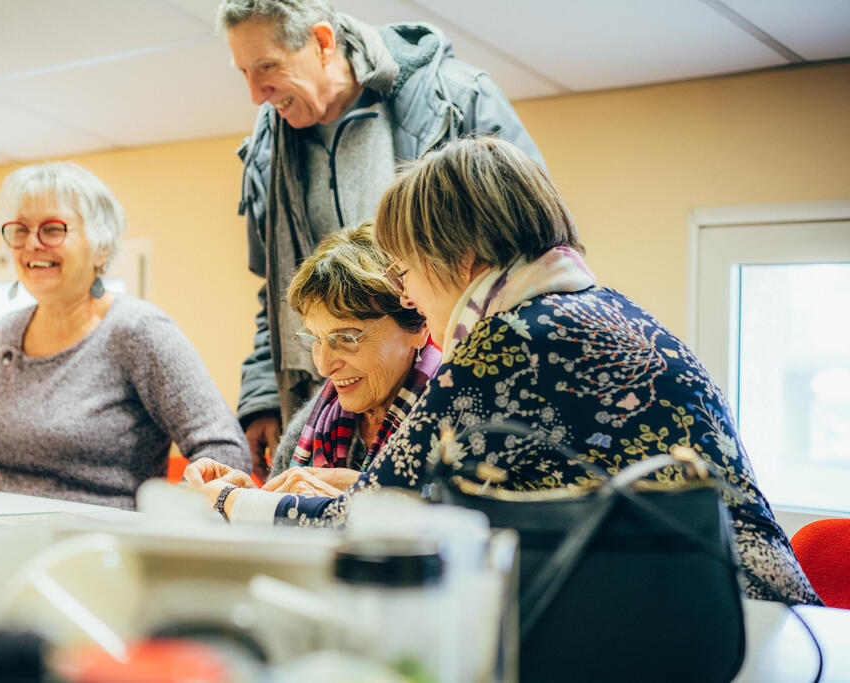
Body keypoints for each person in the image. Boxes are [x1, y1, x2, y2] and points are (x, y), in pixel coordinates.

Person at [189, 136, 819, 605]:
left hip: (717, 624)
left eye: (406, 272)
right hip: (770, 615)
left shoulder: (507, 342)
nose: (406, 295)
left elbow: (371, 521)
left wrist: (227, 500)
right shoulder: (611, 311)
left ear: (461, 259)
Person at [216, 0, 545, 481]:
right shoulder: (269, 145)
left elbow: (529, 252)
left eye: (267, 66)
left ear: (323, 42)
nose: (254, 94)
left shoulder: (455, 98)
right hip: (333, 399)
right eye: (244, 72)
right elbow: (275, 286)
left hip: (452, 376)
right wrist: (263, 393)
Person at [0, 161, 250, 510]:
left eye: (52, 229)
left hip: (103, 540)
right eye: (20, 230)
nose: (32, 244)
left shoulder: (138, 330)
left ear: (101, 246)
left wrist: (165, 521)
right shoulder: (5, 333)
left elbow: (226, 452)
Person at [187, 221, 438, 500]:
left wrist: (366, 490)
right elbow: (285, 511)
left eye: (346, 338)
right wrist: (249, 499)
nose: (324, 367)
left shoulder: (455, 413)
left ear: (419, 326)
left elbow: (460, 516)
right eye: (316, 339)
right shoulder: (316, 418)